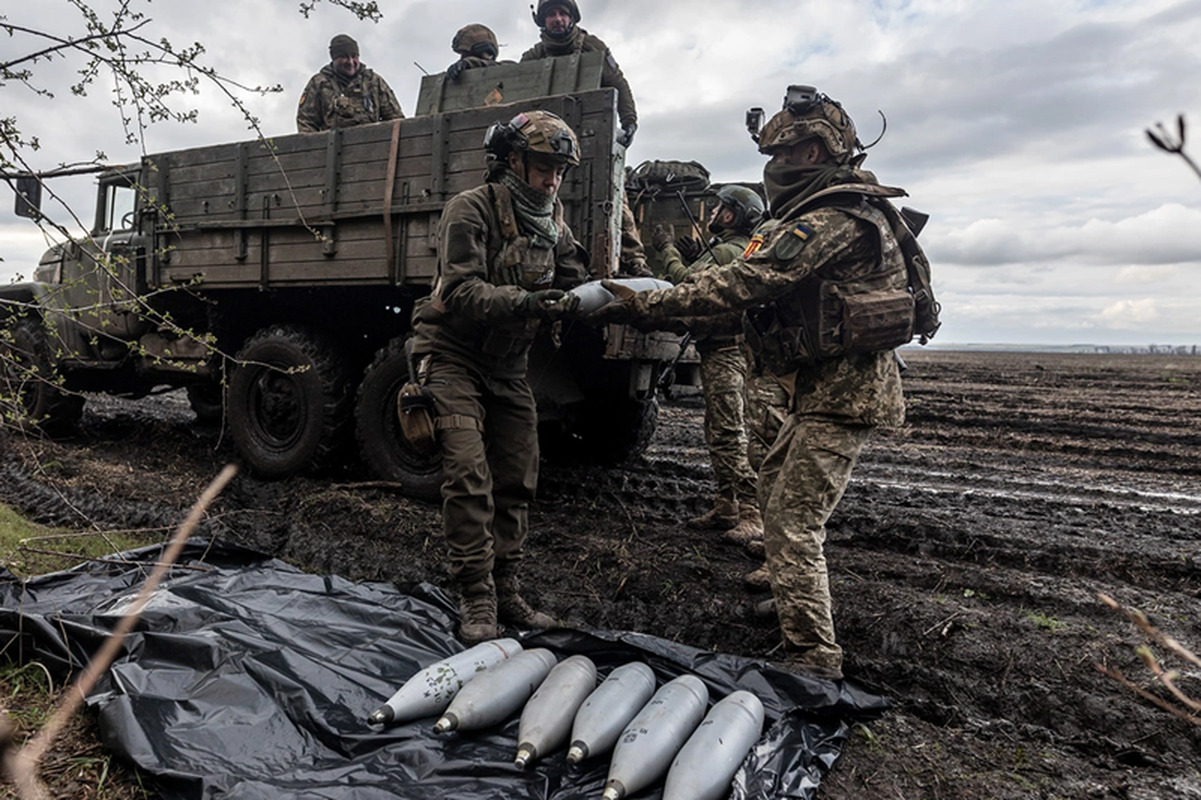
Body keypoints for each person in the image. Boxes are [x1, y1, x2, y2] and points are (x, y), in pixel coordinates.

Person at [588, 86, 923, 678]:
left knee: (794, 521)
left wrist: (650, 305)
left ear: (815, 152)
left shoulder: (834, 217)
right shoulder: (839, 210)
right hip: (822, 386)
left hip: (846, 394)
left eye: (784, 155)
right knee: (772, 483)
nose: (775, 167)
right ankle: (796, 599)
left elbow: (748, 281)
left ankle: (814, 659)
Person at [410, 110, 588, 645]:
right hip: (453, 355)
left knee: (518, 475)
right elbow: (460, 292)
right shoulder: (470, 209)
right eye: (543, 166)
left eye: (560, 170)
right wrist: (530, 300)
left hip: (508, 365)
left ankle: (507, 589)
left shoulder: (554, 221)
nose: (552, 179)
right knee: (468, 473)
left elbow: (575, 277)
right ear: (513, 160)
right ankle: (476, 596)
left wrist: (596, 300)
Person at [649, 186, 767, 550]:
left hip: (724, 351)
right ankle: (726, 505)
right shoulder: (738, 248)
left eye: (720, 208)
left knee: (729, 433)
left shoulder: (727, 250)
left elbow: (686, 284)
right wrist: (699, 256)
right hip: (727, 349)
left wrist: (666, 250)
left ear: (731, 216)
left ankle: (752, 513)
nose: (714, 212)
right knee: (719, 428)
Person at [521, 0, 649, 276]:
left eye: (562, 14)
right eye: (551, 14)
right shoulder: (533, 56)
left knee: (614, 194)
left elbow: (619, 83)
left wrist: (630, 121)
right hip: (543, 144)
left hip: (591, 137)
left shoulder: (593, 47)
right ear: (542, 20)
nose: (557, 19)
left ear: (572, 18)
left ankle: (634, 260)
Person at [297, 34, 404, 133]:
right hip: (331, 148)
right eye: (344, 57)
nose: (350, 62)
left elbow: (396, 119)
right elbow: (306, 122)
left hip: (372, 146)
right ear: (333, 58)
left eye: (354, 56)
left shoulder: (373, 81)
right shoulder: (319, 83)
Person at [446, 24, 511, 82]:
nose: (463, 57)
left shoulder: (505, 71)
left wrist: (470, 63)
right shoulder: (460, 74)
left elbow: (500, 66)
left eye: (468, 54)